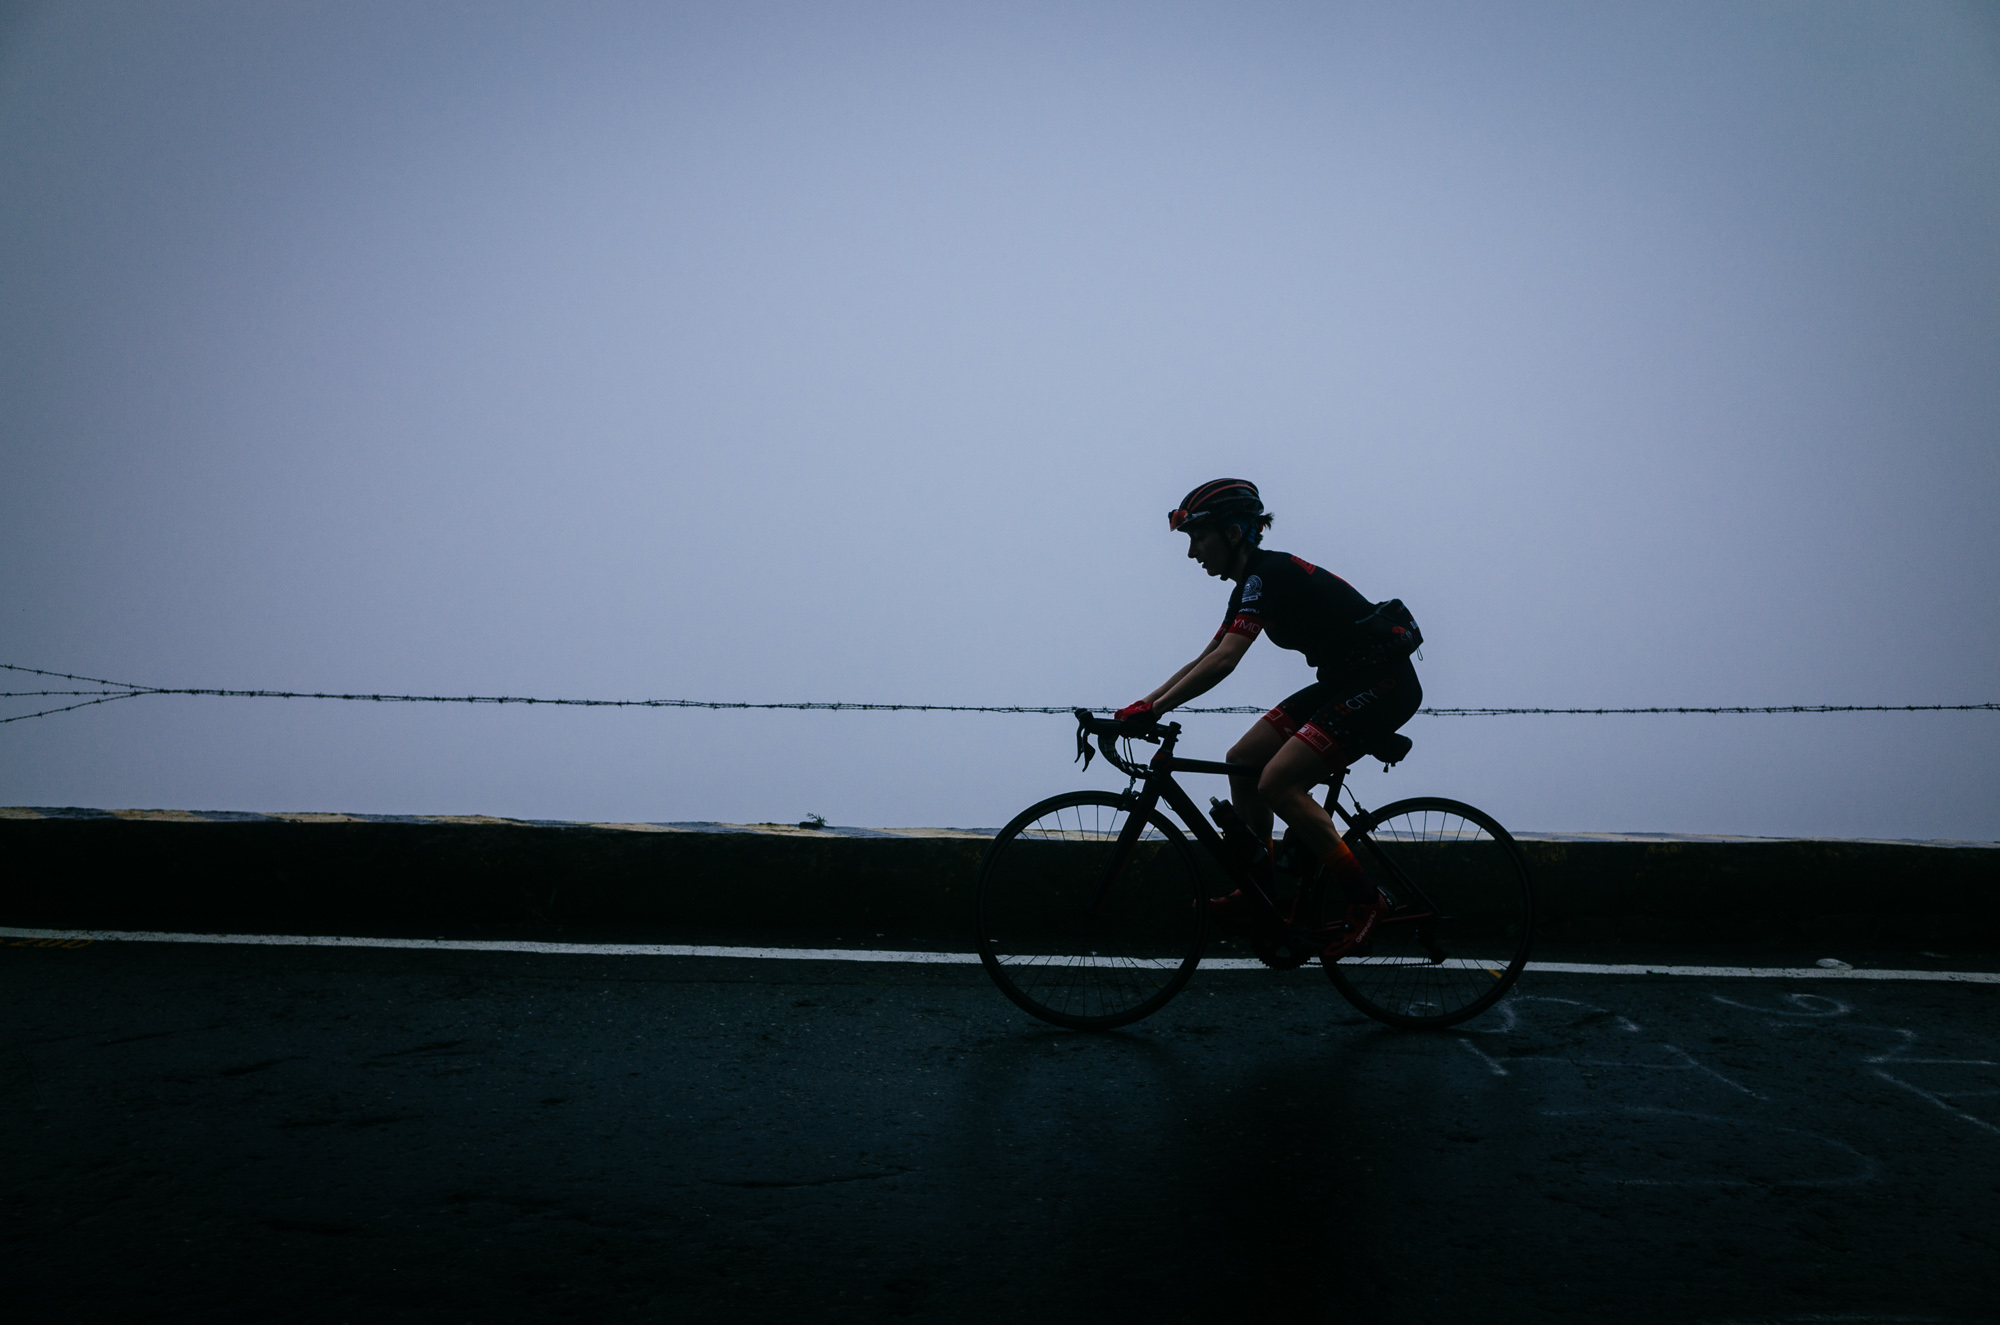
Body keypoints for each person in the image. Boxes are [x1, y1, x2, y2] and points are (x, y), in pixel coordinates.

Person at [1113, 477, 1422, 959]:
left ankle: (1369, 900)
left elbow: (1226, 661)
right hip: (1344, 684)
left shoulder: (1266, 575)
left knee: (1277, 783)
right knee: (1244, 758)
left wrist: (1155, 710)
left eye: (1198, 538)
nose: (1193, 553)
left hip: (1383, 684)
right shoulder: (1249, 585)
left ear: (1233, 533)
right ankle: (1258, 895)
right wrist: (1139, 706)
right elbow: (1208, 654)